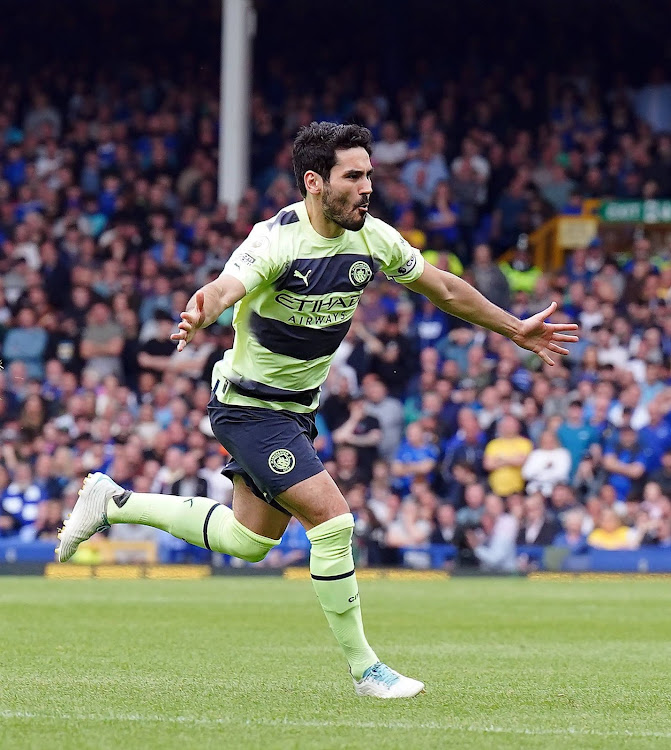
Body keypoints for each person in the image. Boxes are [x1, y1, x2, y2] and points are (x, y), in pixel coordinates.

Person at [57, 122, 578, 699]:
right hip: (251, 409)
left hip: (297, 411)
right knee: (334, 522)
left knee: (248, 541)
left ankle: (115, 500)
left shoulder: (371, 238)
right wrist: (200, 311)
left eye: (369, 176)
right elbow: (227, 286)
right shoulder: (275, 240)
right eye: (353, 177)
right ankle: (366, 670)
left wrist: (514, 328)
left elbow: (444, 290)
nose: (366, 188)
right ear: (315, 182)